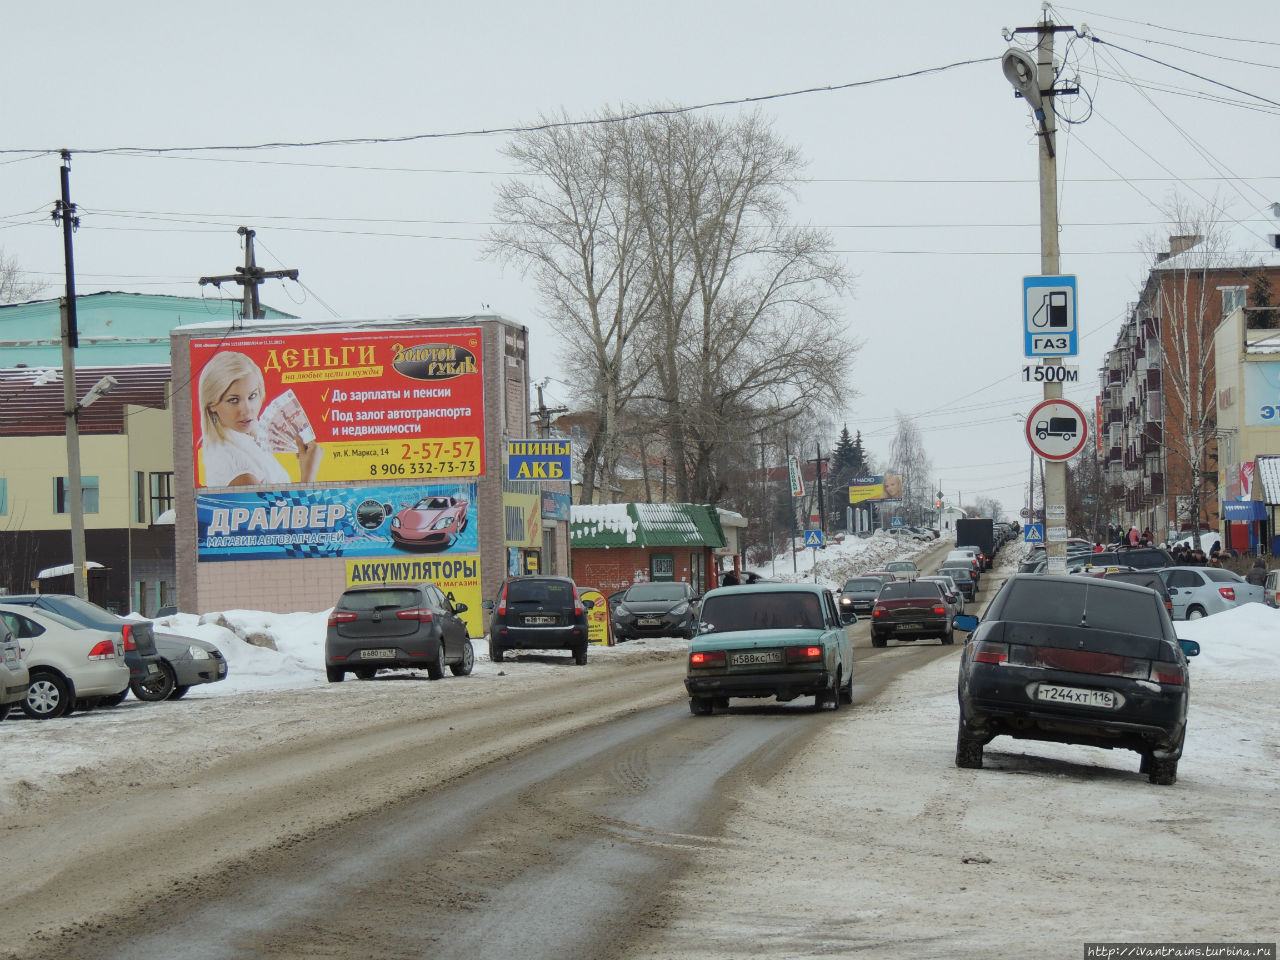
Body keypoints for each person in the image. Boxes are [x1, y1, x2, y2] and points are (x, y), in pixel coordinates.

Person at [199, 351, 323, 486]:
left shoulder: (246, 437)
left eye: (252, 396)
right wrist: (308, 475)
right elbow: (287, 508)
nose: (247, 410)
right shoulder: (239, 467)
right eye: (233, 400)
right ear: (212, 404)